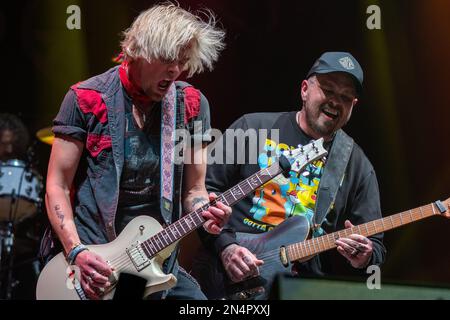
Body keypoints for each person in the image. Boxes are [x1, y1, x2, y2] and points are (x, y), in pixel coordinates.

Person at [41, 3, 231, 300]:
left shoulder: (191, 105)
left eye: (182, 61)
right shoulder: (87, 98)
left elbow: (194, 190)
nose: (175, 70)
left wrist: (206, 211)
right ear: (138, 50)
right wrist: (76, 251)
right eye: (168, 58)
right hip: (98, 258)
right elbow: (57, 185)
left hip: (157, 259)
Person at [196, 52, 387, 298]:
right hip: (225, 278)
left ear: (353, 106)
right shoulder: (251, 128)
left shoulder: (357, 164)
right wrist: (226, 248)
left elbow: (376, 250)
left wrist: (365, 256)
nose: (335, 102)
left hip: (299, 287)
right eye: (328, 91)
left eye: (345, 97)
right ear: (305, 89)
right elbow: (201, 193)